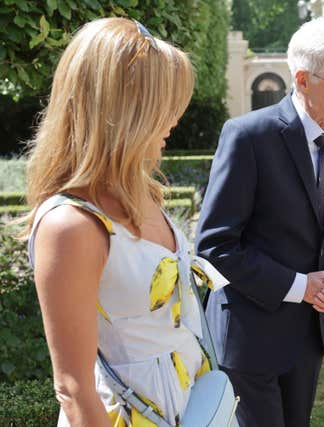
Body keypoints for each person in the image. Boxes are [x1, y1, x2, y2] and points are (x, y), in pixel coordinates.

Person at [20, 18, 216, 426]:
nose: (175, 120)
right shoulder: (70, 226)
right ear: (123, 111)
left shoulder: (145, 192)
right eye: (164, 106)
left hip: (192, 408)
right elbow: (74, 389)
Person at [195, 17, 324, 427]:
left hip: (307, 337)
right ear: (303, 80)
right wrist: (302, 287)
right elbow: (215, 245)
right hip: (249, 340)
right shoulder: (248, 136)